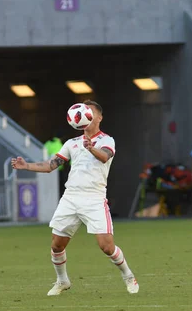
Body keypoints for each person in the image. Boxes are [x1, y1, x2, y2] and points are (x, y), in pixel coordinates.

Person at [11, 100, 139, 296]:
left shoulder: (107, 140)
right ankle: (62, 281)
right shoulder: (72, 143)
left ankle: (129, 276)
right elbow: (51, 165)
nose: (86, 115)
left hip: (94, 198)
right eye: (83, 112)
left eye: (90, 112)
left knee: (106, 246)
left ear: (99, 117)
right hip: (70, 197)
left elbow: (104, 157)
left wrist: (91, 148)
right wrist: (26, 166)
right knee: (56, 245)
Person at [44, 131, 67, 197]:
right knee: (60, 186)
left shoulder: (47, 143)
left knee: (50, 186)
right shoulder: (59, 144)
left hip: (48, 169)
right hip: (58, 169)